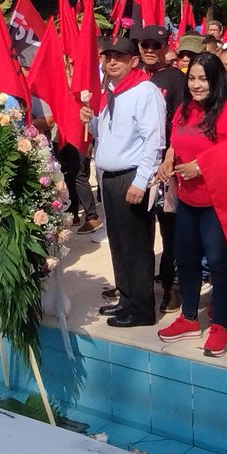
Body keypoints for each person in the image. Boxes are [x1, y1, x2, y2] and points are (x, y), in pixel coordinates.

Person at [156, 52, 227, 357]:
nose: (196, 85)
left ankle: (220, 323)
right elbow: (175, 140)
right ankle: (188, 317)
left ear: (216, 79)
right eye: (192, 78)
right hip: (187, 200)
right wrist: (169, 159)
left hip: (218, 203)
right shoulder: (184, 109)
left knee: (220, 263)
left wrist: (202, 167)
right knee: (185, 258)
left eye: (203, 79)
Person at [82, 35, 165, 328]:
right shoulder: (113, 92)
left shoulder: (145, 91)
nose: (112, 61)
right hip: (110, 178)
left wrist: (141, 181)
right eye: (108, 56)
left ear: (134, 61)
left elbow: (154, 141)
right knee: (119, 244)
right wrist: (91, 121)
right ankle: (127, 298)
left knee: (136, 245)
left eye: (119, 56)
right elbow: (110, 133)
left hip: (131, 177)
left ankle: (142, 308)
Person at [135, 24, 188, 313]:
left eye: (156, 45)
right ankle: (135, 285)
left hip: (166, 167)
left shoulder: (176, 79)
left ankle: (171, 287)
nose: (150, 50)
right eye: (145, 45)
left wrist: (171, 156)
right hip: (137, 166)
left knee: (171, 231)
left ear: (167, 46)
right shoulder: (134, 77)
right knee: (138, 231)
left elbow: (182, 120)